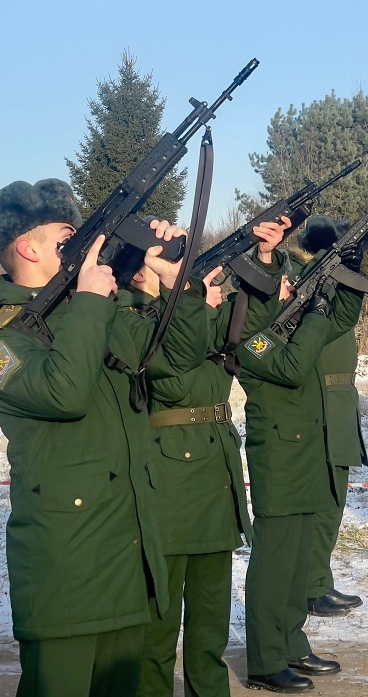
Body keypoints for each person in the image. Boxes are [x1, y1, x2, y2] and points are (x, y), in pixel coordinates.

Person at [0, 178, 209, 697]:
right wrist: (91, 303)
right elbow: (65, 392)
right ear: (27, 247)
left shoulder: (93, 312)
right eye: (65, 236)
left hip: (127, 556)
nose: (80, 245)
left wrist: (178, 281)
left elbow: (177, 358)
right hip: (67, 572)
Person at [129, 217, 290, 697]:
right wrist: (188, 299)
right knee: (158, 630)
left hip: (215, 478)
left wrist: (263, 256)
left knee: (209, 628)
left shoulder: (197, 314)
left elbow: (255, 322)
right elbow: (173, 374)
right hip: (170, 484)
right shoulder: (136, 323)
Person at [233, 263, 365, 694]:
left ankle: (291, 644)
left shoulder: (284, 330)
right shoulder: (250, 342)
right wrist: (314, 313)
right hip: (281, 460)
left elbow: (342, 319)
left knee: (295, 564)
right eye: (282, 286)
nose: (290, 288)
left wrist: (348, 275)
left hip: (306, 454)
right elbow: (292, 366)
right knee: (274, 566)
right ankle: (265, 661)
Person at [290, 217, 366, 618]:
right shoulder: (311, 282)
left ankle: (318, 580)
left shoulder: (329, 280)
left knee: (333, 500)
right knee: (323, 503)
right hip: (321, 402)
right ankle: (312, 585)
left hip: (338, 401)